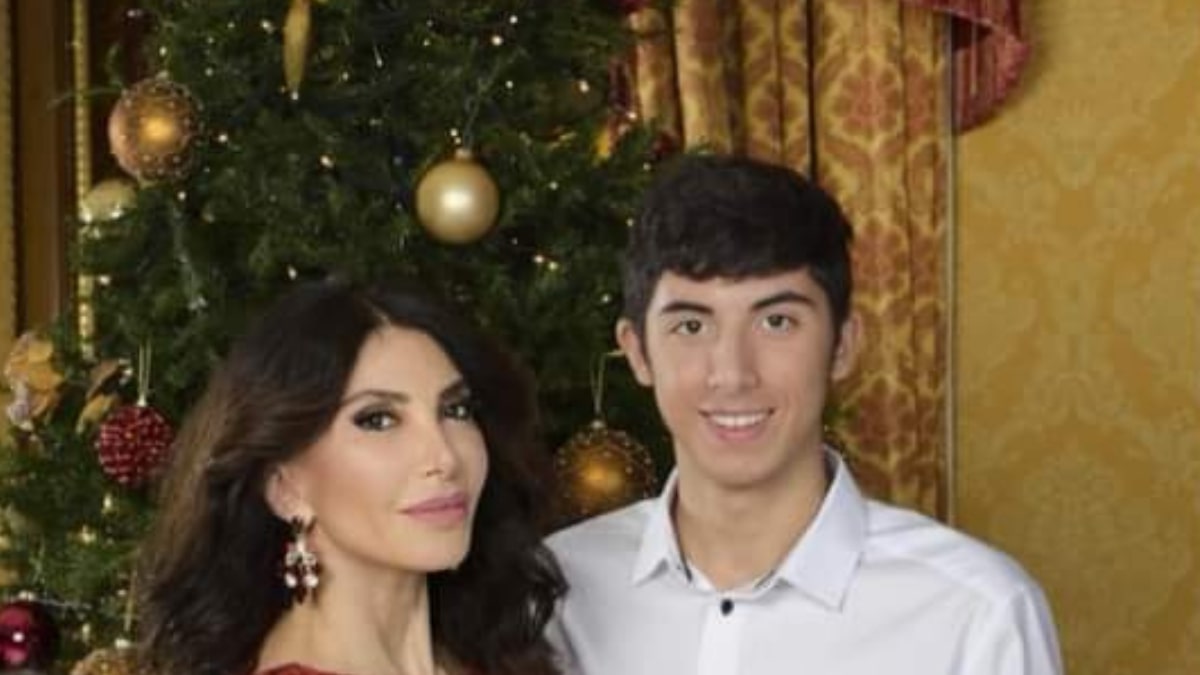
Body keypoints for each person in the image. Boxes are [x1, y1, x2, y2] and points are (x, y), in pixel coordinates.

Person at [546, 155, 1063, 674]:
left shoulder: (977, 615)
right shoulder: (552, 597)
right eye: (692, 326)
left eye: (776, 322)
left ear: (842, 346)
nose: (733, 374)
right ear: (637, 352)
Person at [135, 278, 565, 675]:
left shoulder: (493, 654)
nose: (445, 456)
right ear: (284, 488)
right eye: (378, 420)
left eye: (456, 410)